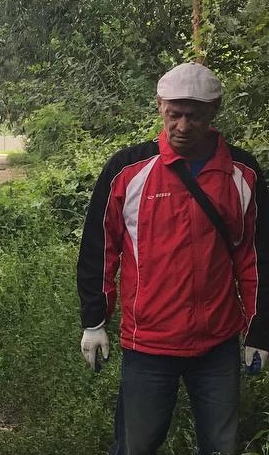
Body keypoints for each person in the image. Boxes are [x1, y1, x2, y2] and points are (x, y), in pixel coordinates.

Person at [77, 62, 269, 455]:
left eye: (194, 115)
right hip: (148, 342)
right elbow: (100, 249)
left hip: (217, 343)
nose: (182, 125)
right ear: (160, 106)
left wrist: (260, 330)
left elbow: (256, 257)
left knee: (221, 446)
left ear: (214, 111)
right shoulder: (127, 169)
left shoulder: (243, 173)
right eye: (174, 114)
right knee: (137, 445)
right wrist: (95, 320)